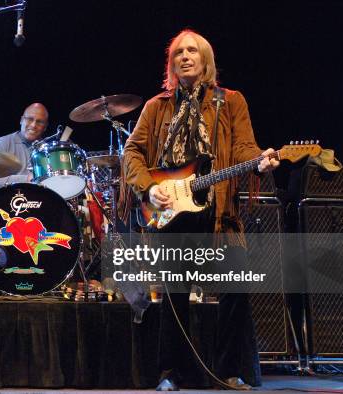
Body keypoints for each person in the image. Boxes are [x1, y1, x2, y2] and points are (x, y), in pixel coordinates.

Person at [123, 30, 279, 391]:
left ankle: (229, 371)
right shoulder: (157, 106)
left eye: (192, 51)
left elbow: (243, 148)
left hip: (218, 211)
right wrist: (150, 187)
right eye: (178, 52)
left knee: (235, 289)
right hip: (171, 210)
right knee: (174, 295)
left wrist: (260, 162)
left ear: (206, 60)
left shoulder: (231, 101)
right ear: (172, 63)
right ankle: (169, 374)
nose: (185, 56)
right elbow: (131, 151)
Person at [0, 103, 49, 192]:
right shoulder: (1, 144)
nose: (33, 125)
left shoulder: (49, 150)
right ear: (21, 120)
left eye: (39, 122)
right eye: (30, 119)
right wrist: (27, 179)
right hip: (7, 202)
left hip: (43, 201)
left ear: (45, 127)